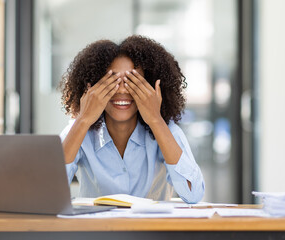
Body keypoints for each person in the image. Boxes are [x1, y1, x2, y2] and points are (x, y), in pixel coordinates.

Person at [59, 35, 204, 203]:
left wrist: (156, 120)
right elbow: (48, 191)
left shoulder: (168, 131)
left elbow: (193, 195)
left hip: (153, 228)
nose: (122, 90)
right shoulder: (78, 130)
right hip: (97, 229)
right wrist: (83, 119)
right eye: (111, 81)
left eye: (132, 81)